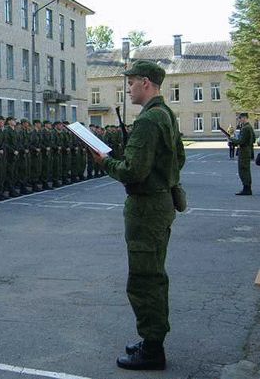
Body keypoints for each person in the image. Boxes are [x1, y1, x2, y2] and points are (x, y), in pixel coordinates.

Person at [92, 60, 185, 371]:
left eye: (131, 82)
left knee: (145, 279)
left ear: (146, 82)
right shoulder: (166, 115)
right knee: (153, 274)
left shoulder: (148, 120)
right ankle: (151, 339)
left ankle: (153, 348)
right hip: (160, 203)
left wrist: (105, 162)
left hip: (147, 208)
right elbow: (179, 158)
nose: (128, 88)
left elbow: (133, 171)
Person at [230, 112, 256, 195]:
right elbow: (254, 139)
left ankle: (247, 189)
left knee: (243, 170)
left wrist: (232, 140)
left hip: (244, 152)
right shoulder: (249, 127)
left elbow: (241, 141)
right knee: (246, 170)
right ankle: (247, 188)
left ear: (244, 118)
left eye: (240, 118)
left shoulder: (245, 128)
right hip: (247, 150)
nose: (239, 120)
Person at [3, 117, 20, 197]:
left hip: (15, 155)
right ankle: (10, 190)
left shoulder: (14, 131)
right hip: (9, 155)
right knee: (9, 173)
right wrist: (13, 150)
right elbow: (6, 143)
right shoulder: (7, 130)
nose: (15, 122)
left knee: (14, 172)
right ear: (9, 122)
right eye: (13, 120)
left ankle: (10, 189)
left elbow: (17, 142)